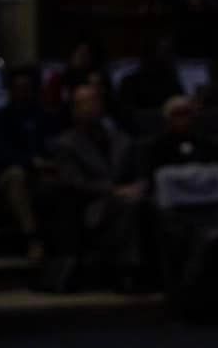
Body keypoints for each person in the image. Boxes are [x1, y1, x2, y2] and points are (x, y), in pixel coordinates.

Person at [51, 84, 151, 292]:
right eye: (84, 103)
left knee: (147, 204)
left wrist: (140, 185)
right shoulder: (66, 144)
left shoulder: (121, 139)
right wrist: (114, 191)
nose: (91, 107)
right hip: (91, 206)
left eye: (94, 101)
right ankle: (128, 272)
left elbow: (140, 172)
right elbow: (74, 183)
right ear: (75, 109)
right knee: (127, 205)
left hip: (129, 197)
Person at [0, 66, 60, 262]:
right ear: (10, 90)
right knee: (16, 176)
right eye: (18, 87)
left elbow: (55, 146)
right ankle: (32, 238)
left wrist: (47, 162)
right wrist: (30, 162)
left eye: (27, 87)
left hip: (44, 172)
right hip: (7, 174)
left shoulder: (45, 117)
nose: (23, 91)